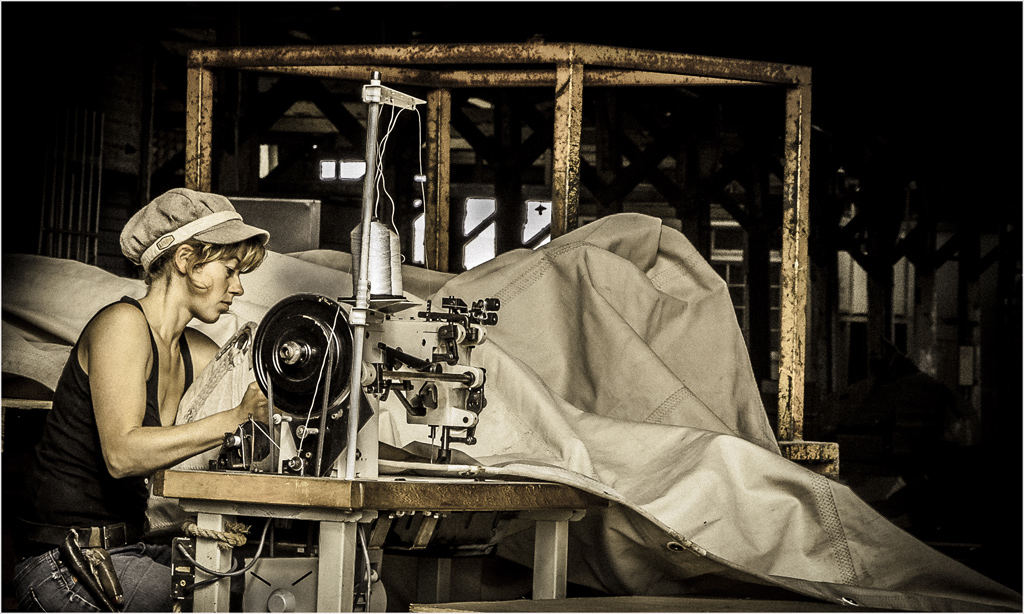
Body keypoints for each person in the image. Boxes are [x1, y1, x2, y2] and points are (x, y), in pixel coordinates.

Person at [13, 188, 272, 612]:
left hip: (127, 548)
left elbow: (266, 391)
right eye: (230, 270)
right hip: (65, 564)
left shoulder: (195, 351)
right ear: (187, 260)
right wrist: (236, 417)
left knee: (254, 589)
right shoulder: (122, 326)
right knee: (221, 605)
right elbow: (122, 453)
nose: (238, 288)